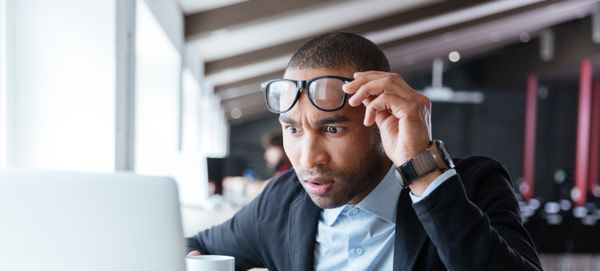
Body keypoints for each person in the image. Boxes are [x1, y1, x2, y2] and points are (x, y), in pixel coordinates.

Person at [187, 32, 541, 270]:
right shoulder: (283, 202)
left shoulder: (472, 186)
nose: (308, 159)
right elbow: (195, 247)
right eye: (292, 129)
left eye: (333, 129)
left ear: (382, 119)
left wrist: (425, 170)